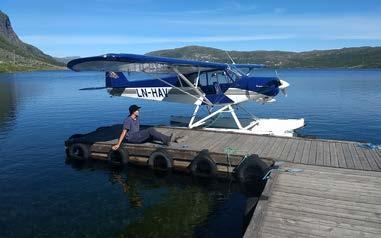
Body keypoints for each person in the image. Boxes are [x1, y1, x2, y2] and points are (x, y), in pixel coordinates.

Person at [112, 104, 178, 150]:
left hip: (137, 135)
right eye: (137, 110)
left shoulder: (137, 118)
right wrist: (118, 144)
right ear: (133, 112)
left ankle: (170, 139)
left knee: (152, 135)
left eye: (138, 110)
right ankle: (167, 139)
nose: (139, 111)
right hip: (132, 138)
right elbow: (124, 132)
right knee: (150, 130)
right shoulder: (128, 120)